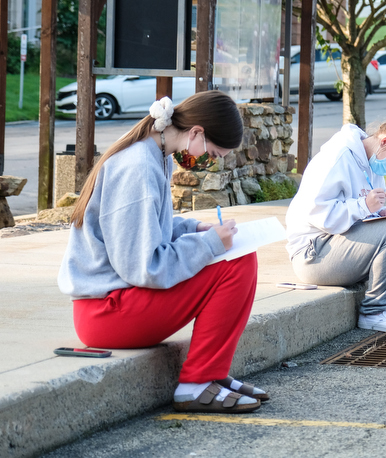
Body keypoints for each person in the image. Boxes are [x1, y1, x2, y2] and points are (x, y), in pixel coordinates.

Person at [58, 91, 267, 414]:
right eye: (212, 153)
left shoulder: (155, 154)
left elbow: (151, 226)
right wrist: (209, 245)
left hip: (114, 304)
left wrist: (196, 230)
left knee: (240, 254)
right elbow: (144, 266)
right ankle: (198, 383)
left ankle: (212, 374)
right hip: (106, 312)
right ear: (196, 132)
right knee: (234, 263)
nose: (209, 161)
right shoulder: (138, 166)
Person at [285, 121, 386, 334]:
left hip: (341, 243)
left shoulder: (373, 162)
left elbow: (363, 207)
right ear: (385, 142)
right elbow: (318, 214)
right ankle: (374, 312)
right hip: (313, 254)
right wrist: (363, 206)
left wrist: (378, 212)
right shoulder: (337, 157)